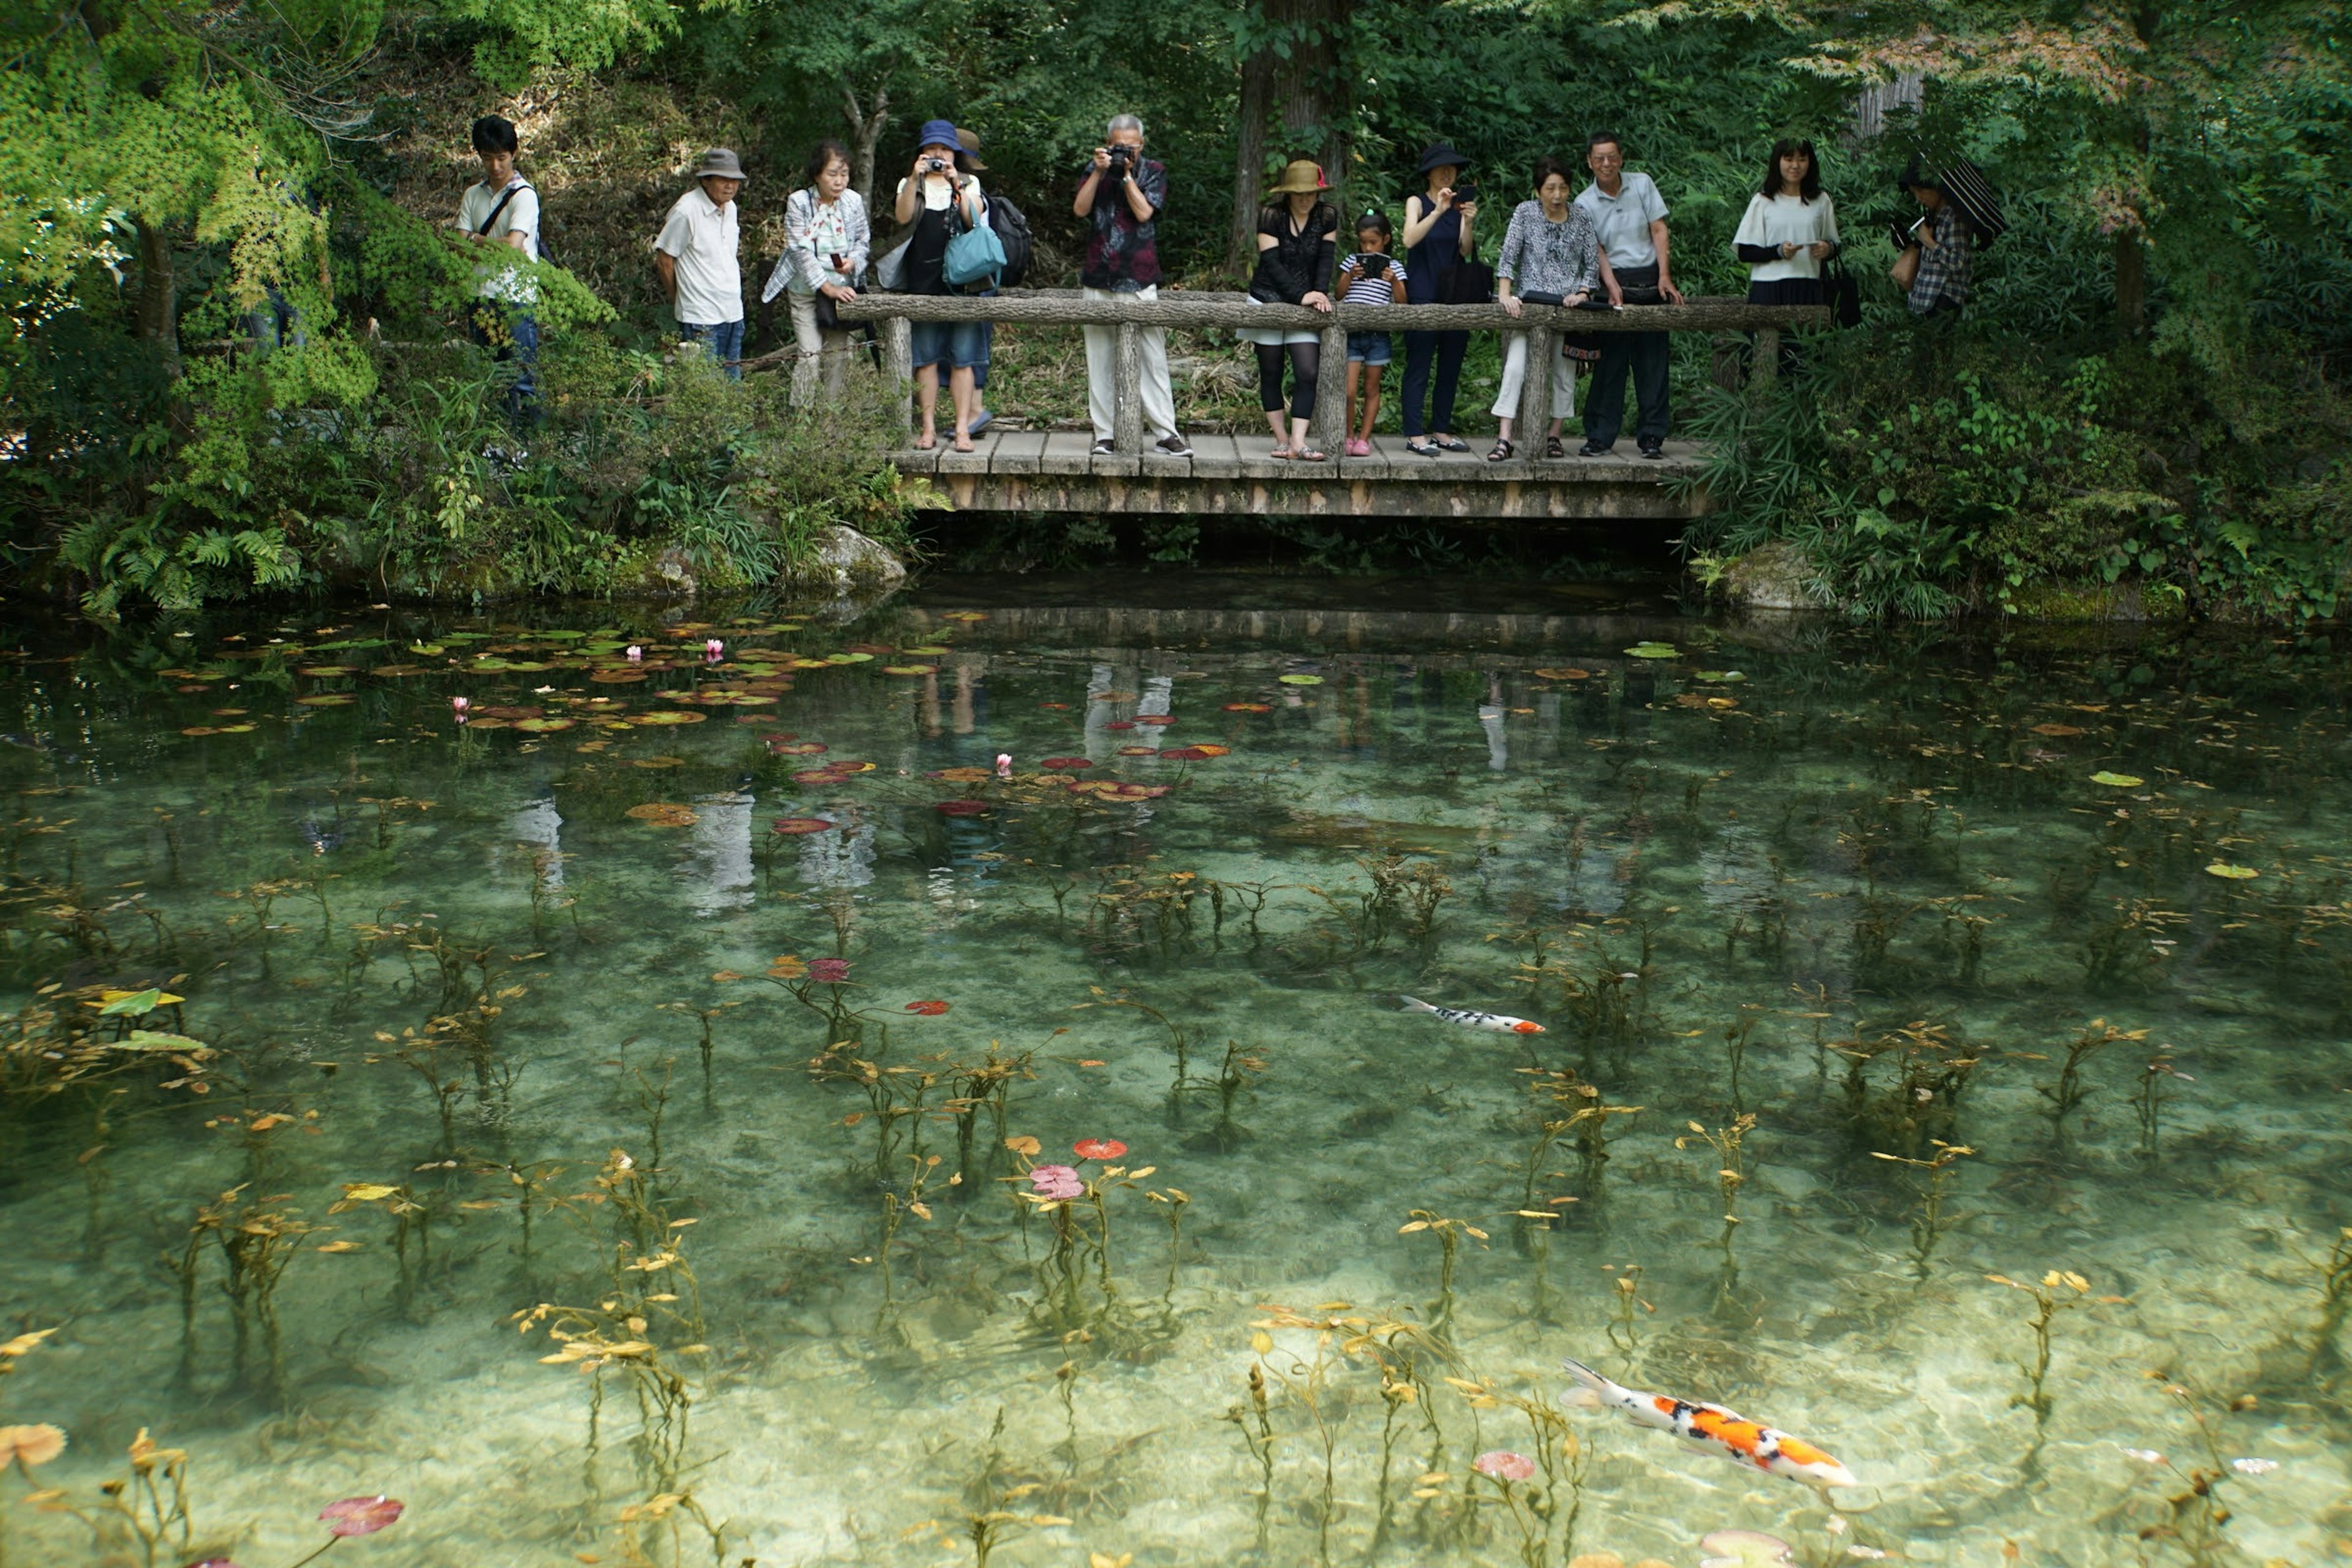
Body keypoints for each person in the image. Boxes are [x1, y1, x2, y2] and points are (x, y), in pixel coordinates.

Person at [1076, 114, 1189, 457]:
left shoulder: (1153, 170)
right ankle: (1105, 434)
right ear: (1108, 143)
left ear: (1142, 144)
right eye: (1118, 144)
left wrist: (1125, 175)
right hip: (1099, 274)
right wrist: (1099, 172)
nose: (1125, 150)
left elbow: (1144, 213)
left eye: (1131, 145)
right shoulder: (1093, 169)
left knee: (1152, 358)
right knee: (1099, 357)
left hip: (1139, 275)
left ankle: (1166, 433)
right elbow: (1080, 210)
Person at [1490, 155, 1613, 461]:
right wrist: (1506, 294)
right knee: (1516, 367)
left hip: (1568, 307)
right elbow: (1509, 257)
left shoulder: (1581, 217)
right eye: (1550, 189)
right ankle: (1504, 437)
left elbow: (1590, 262)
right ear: (1538, 190)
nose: (1557, 195)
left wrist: (1583, 292)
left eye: (1562, 188)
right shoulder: (1525, 213)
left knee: (1563, 373)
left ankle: (1554, 434)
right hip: (1531, 304)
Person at [1574, 131, 1682, 459]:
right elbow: (1596, 248)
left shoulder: (1642, 184)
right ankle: (1600, 436)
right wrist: (1609, 285)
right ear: (1590, 162)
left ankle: (1652, 436)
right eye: (1599, 158)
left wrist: (1665, 275)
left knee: (1653, 362)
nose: (1606, 164)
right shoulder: (1583, 202)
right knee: (1611, 363)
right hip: (1613, 280)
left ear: (1621, 157)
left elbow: (1659, 228)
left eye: (1612, 157)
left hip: (1650, 275)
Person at [892, 119, 988, 451]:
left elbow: (972, 219)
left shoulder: (969, 182)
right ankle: (928, 429)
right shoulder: (910, 183)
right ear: (921, 152)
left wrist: (955, 184)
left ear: (955, 153)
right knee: (926, 360)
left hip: (963, 282)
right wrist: (915, 179)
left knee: (963, 359)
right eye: (932, 148)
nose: (938, 154)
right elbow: (902, 218)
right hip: (923, 280)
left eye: (944, 149)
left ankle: (963, 429)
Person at [761, 140, 870, 402]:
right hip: (806, 291)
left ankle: (829, 420)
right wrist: (826, 287)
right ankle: (802, 419)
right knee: (809, 356)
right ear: (816, 174)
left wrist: (853, 262)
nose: (839, 181)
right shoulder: (799, 202)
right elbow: (800, 251)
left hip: (842, 289)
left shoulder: (853, 201)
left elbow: (863, 242)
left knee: (838, 357)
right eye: (832, 174)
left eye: (844, 174)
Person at [1243, 159, 1338, 462]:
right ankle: (1282, 440)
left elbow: (1326, 259)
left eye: (1311, 193)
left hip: (1307, 300)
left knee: (1307, 371)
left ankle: (1299, 441)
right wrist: (1301, 295)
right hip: (1269, 297)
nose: (1306, 199)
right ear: (1288, 194)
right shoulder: (1271, 215)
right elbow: (1271, 262)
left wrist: (1319, 292)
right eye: (1299, 194)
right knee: (1271, 371)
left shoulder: (1327, 215)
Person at [454, 114, 541, 426]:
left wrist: (475, 239)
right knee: (488, 376)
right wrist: (482, 242)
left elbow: (512, 246)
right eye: (488, 158)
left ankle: (526, 445)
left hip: (515, 298)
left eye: (502, 158)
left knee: (520, 376)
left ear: (513, 154)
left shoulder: (524, 196)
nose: (496, 167)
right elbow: (457, 243)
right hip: (480, 296)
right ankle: (496, 442)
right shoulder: (473, 195)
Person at [1734, 138, 1839, 379]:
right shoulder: (1763, 201)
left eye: (1802, 159)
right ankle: (1756, 407)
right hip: (1768, 288)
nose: (1795, 165)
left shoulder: (1821, 201)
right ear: (1778, 162)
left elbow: (1835, 245)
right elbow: (1745, 252)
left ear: (1810, 163)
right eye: (1789, 159)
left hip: (1808, 286)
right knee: (1759, 358)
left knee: (1804, 360)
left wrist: (1827, 249)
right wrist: (1778, 252)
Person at [1399, 141, 1479, 457]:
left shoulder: (1461, 205)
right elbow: (1409, 239)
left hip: (1455, 293)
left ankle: (1442, 430)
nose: (1448, 173)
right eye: (1441, 168)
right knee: (1419, 363)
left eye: (1453, 168)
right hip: (1422, 291)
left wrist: (1468, 222)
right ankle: (1415, 433)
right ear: (1429, 173)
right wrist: (1438, 212)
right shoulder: (1417, 202)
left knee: (1451, 364)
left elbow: (1465, 250)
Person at [655, 148, 747, 380]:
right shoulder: (687, 211)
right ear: (706, 180)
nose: (730, 186)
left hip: (732, 311)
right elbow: (665, 260)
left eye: (735, 180)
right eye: (723, 179)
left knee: (731, 384)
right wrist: (680, 300)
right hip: (700, 317)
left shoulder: (731, 208)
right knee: (702, 389)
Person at [1336, 211, 1403, 457]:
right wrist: (1349, 275)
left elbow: (1402, 301)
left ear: (1385, 239)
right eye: (1363, 242)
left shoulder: (1394, 266)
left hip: (1377, 335)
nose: (1367, 247)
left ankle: (1364, 439)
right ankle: (1347, 435)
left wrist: (1394, 280)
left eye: (1372, 242)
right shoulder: (1352, 261)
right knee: (1349, 390)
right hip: (1352, 334)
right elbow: (1339, 294)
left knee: (1372, 388)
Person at [956, 128, 997, 437]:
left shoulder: (972, 187)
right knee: (967, 342)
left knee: (974, 341)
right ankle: (970, 412)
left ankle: (976, 410)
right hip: (971, 274)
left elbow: (970, 222)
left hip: (976, 275)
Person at [1896, 153, 1972, 318]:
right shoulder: (1932, 216)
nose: (1918, 198)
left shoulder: (1954, 219)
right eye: (1914, 193)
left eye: (1922, 191)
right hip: (1924, 299)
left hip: (1943, 301)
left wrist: (1929, 243)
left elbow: (1958, 262)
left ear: (1937, 188)